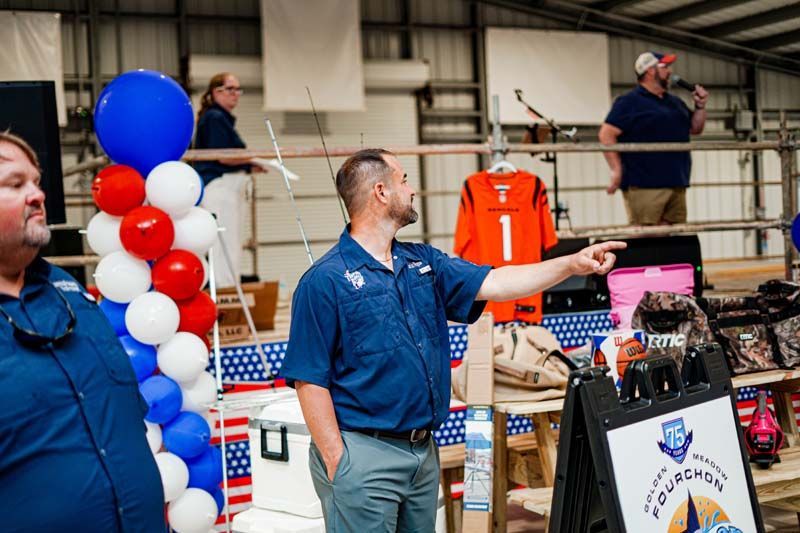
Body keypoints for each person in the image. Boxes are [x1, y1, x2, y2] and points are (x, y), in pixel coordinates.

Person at [280, 148, 625, 532]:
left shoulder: (422, 263)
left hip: (422, 452)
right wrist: (339, 461)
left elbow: (496, 282)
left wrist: (571, 264)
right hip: (363, 456)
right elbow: (309, 379)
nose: (412, 190)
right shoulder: (324, 281)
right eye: (404, 179)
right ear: (380, 191)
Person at [0, 131, 164, 532]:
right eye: (15, 184)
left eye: (36, 182)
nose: (38, 195)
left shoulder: (69, 296)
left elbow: (123, 420)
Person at [599, 51, 709, 226]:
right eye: (665, 67)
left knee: (673, 236)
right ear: (650, 71)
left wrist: (700, 106)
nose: (670, 72)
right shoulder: (629, 102)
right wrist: (616, 170)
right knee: (647, 236)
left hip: (677, 181)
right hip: (645, 184)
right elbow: (606, 134)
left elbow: (695, 128)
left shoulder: (674, 102)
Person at [194, 72, 257, 287]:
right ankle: (225, 292)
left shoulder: (220, 119)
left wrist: (250, 163)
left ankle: (227, 288)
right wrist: (249, 161)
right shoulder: (215, 118)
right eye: (231, 89)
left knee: (230, 244)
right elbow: (222, 156)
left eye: (238, 89)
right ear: (216, 92)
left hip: (226, 188)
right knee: (224, 245)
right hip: (219, 187)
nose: (236, 94)